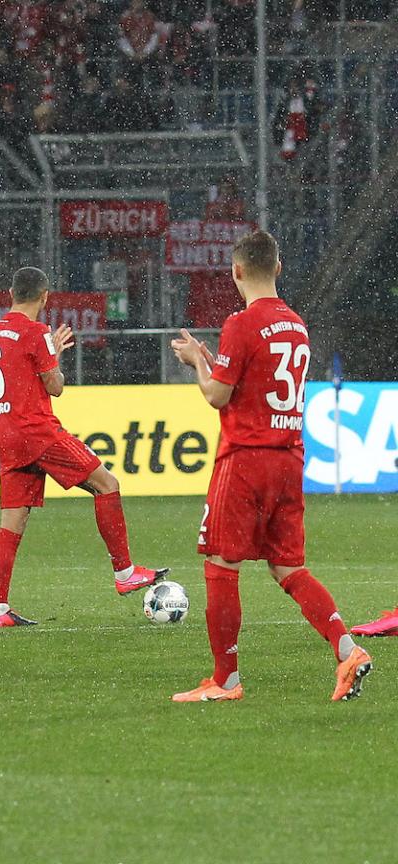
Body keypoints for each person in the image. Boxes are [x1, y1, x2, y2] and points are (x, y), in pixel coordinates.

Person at [169, 231, 373, 702]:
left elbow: (218, 395)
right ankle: (347, 650)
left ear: (236, 272)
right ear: (278, 269)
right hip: (288, 458)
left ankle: (226, 681)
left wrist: (196, 365)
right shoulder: (296, 325)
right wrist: (210, 357)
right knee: (288, 568)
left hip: (246, 459)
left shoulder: (240, 323)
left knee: (221, 563)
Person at [0, 267, 168, 627]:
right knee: (107, 484)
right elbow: (55, 386)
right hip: (36, 431)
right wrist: (53, 353)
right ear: (45, 296)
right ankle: (125, 572)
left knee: (12, 522)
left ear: (10, 292)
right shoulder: (36, 332)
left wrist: (46, 353)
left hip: (6, 433)